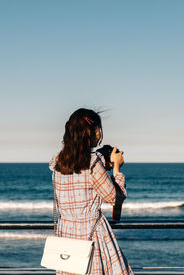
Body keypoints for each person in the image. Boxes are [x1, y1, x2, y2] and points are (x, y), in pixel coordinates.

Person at [49, 108, 134, 275]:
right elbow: (115, 198)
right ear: (92, 131)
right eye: (98, 129)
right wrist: (116, 168)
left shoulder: (58, 163)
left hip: (66, 235)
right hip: (91, 236)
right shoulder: (93, 164)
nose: (99, 134)